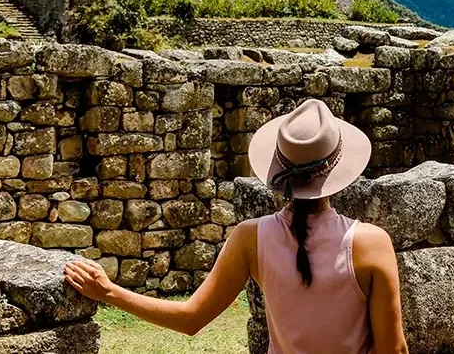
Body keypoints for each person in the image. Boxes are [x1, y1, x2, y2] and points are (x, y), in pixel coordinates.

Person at [65, 98, 408, 354]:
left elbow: (190, 318)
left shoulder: (250, 238)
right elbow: (394, 350)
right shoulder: (370, 243)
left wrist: (108, 291)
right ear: (337, 171)